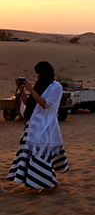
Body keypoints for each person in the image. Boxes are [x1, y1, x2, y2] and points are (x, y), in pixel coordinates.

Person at [7, 61, 69, 194]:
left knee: (42, 155)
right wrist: (22, 89)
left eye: (38, 76)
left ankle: (55, 185)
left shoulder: (55, 87)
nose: (36, 78)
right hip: (32, 125)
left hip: (45, 126)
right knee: (31, 155)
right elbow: (28, 103)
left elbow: (46, 104)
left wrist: (31, 89)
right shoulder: (39, 86)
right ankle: (35, 182)